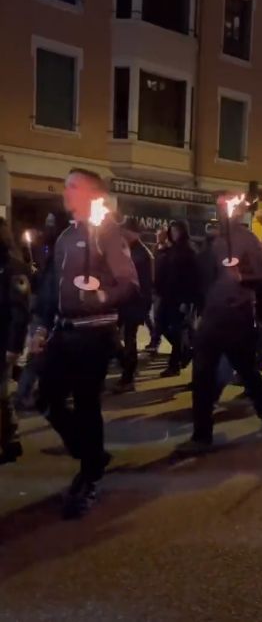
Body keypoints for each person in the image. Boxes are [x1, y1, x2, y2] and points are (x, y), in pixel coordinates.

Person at [30, 168, 139, 518]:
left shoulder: (108, 234)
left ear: (92, 194)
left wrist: (102, 295)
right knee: (45, 398)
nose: (67, 191)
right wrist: (40, 328)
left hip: (95, 333)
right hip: (64, 332)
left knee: (86, 402)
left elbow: (129, 283)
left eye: (73, 185)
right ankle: (92, 454)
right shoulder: (64, 238)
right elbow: (50, 292)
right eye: (66, 185)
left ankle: (91, 475)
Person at [181, 195, 262, 453]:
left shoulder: (248, 240)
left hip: (238, 316)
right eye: (219, 207)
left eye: (227, 206)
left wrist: (242, 277)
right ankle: (202, 434)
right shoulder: (213, 242)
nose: (223, 211)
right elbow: (203, 281)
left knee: (245, 369)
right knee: (201, 375)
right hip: (211, 317)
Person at [0, 219, 32, 464]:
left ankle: (11, 439)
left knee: (1, 394)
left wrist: (13, 347)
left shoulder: (13, 268)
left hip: (3, 341)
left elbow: (20, 311)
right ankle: (10, 438)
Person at [113, 218, 155, 393]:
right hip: (123, 302)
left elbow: (146, 284)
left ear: (134, 233)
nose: (122, 233)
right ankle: (127, 368)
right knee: (114, 338)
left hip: (134, 303)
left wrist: (143, 307)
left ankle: (128, 377)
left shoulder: (142, 254)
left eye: (125, 231)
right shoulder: (126, 250)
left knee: (129, 339)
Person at [156, 221, 201, 378]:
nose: (174, 233)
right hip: (168, 295)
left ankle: (175, 363)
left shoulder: (189, 250)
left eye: (177, 230)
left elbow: (192, 278)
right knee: (161, 325)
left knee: (177, 330)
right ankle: (185, 351)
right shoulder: (172, 249)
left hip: (180, 297)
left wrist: (187, 300)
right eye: (172, 230)